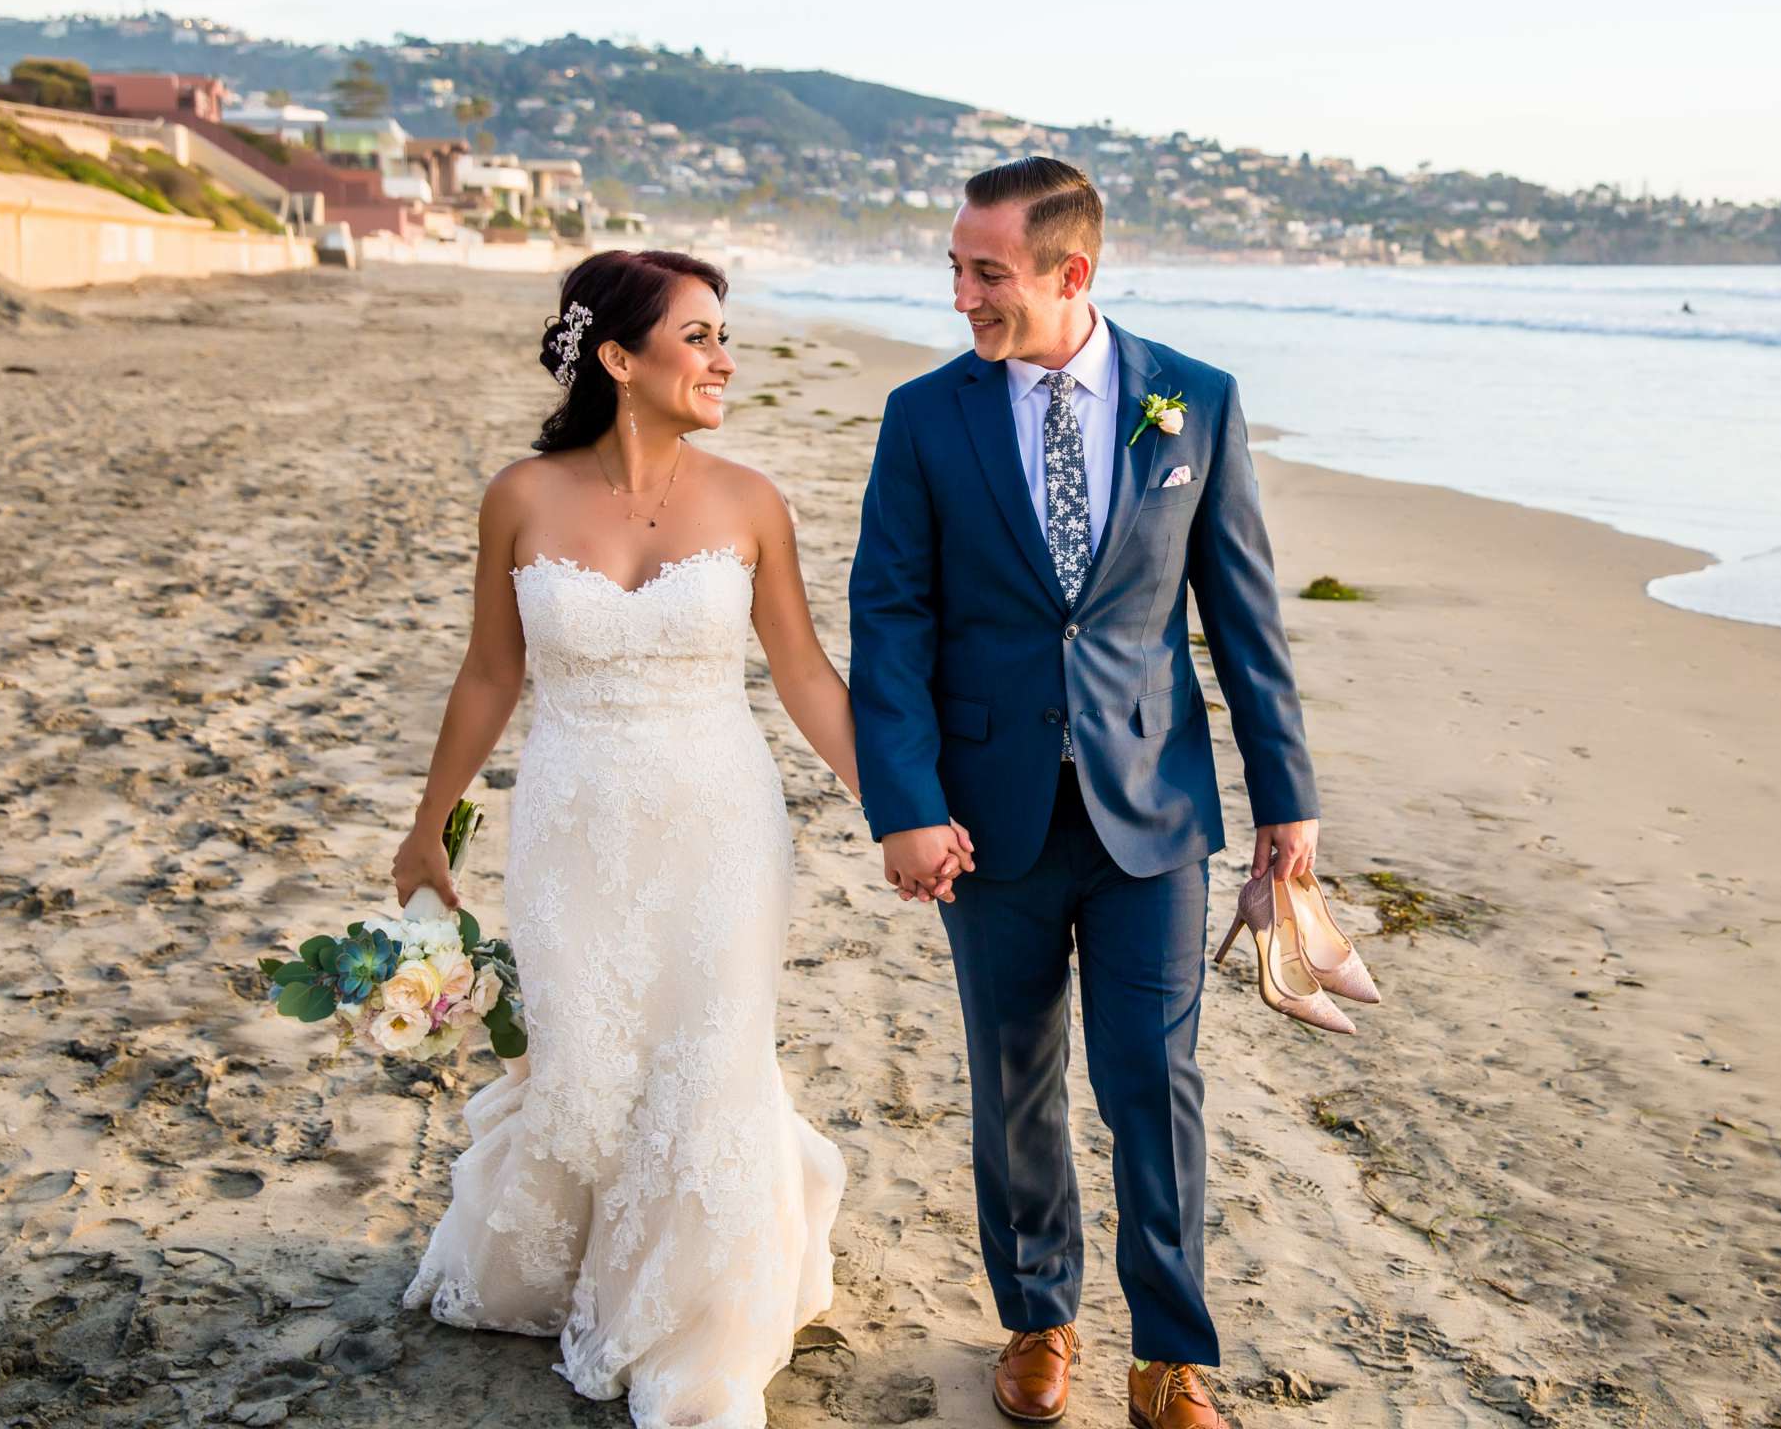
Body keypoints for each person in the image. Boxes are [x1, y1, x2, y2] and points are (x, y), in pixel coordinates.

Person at [391, 249, 936, 1429]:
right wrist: (427, 827)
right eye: (699, 336)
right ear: (618, 359)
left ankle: (700, 1338)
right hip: (572, 827)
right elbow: (491, 670)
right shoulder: (521, 496)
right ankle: (583, 1263)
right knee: (591, 1063)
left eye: (723, 333)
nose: (724, 356)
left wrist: (901, 809)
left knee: (708, 1065)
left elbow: (803, 675)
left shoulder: (750, 501)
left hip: (721, 828)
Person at [849, 158, 1321, 1428]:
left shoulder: (1194, 401)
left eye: (986, 272)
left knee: (1153, 1084)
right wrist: (901, 799)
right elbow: (887, 619)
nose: (962, 296)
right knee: (1012, 1079)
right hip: (983, 814)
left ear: (1072, 274)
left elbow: (1244, 617)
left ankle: (1170, 1352)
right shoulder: (924, 415)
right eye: (955, 268)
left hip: (1152, 812)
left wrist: (1288, 800)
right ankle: (1039, 1317)